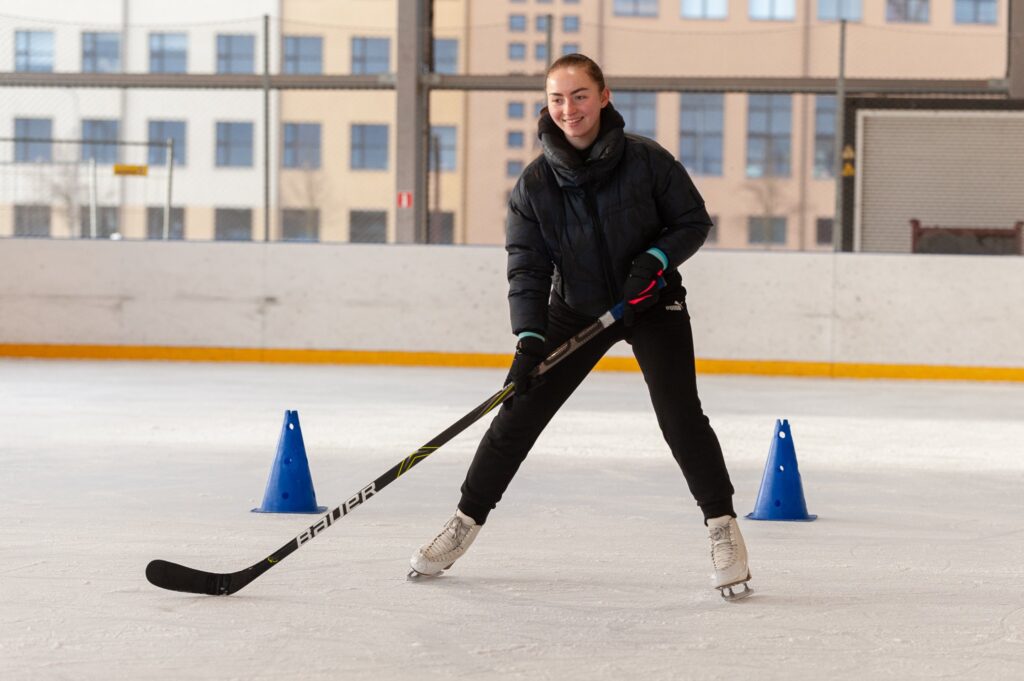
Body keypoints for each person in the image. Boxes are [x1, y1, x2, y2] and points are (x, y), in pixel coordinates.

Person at [409, 54, 751, 600]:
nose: (569, 108)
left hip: (648, 300)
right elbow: (527, 267)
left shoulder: (647, 161)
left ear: (604, 96)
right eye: (557, 98)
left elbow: (692, 221)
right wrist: (528, 337)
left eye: (580, 95)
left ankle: (723, 528)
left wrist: (657, 259)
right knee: (516, 415)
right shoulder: (535, 185)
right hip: (576, 306)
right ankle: (463, 523)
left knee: (680, 415)